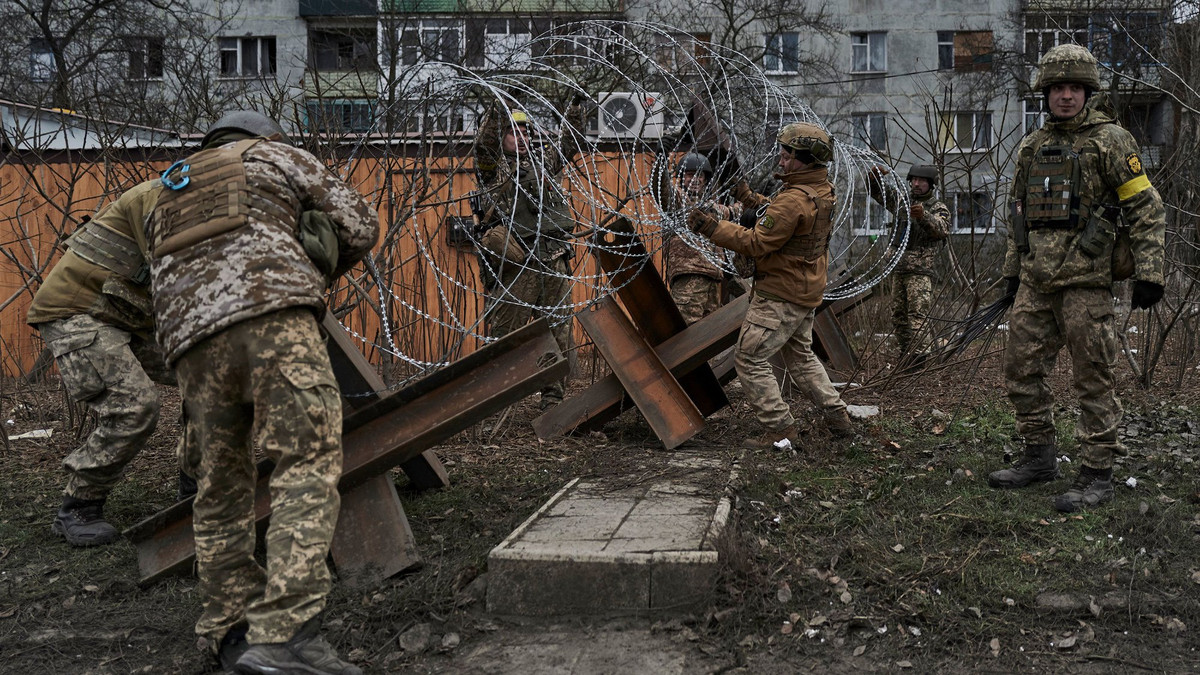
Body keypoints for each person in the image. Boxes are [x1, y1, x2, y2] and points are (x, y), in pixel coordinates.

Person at [146, 111, 379, 673]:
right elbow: (359, 224)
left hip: (190, 342)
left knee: (219, 485)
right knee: (304, 456)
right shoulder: (272, 155)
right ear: (265, 136)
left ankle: (230, 638)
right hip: (272, 313)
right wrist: (316, 263)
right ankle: (285, 636)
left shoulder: (166, 190)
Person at [987, 44, 1166, 513]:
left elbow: (1145, 209)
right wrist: (1011, 275)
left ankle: (1097, 473)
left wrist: (1150, 272)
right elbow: (1018, 216)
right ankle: (1039, 458)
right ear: (1045, 93)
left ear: (1088, 92)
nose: (1065, 96)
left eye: (1074, 88)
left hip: (1086, 283)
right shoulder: (1031, 145)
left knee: (1093, 378)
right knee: (1020, 372)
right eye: (1057, 88)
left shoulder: (1111, 140)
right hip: (1036, 281)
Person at [26, 178, 195, 547]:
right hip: (79, 311)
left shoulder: (216, 198)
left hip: (125, 313)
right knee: (135, 406)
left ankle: (196, 489)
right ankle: (78, 507)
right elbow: (179, 271)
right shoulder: (163, 196)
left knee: (212, 379)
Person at [687, 122, 854, 448]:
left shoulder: (793, 200)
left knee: (749, 358)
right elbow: (781, 216)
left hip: (780, 294)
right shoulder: (821, 190)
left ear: (805, 159)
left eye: (787, 155)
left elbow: (757, 241)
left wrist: (712, 227)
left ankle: (779, 429)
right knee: (802, 358)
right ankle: (839, 418)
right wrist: (749, 198)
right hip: (804, 290)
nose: (780, 159)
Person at [472, 106, 583, 409]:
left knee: (558, 332)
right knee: (506, 337)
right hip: (518, 264)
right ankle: (493, 403)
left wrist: (574, 109)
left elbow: (571, 143)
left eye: (525, 131)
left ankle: (553, 401)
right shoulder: (492, 168)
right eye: (512, 131)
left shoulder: (542, 162)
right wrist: (498, 108)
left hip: (553, 256)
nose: (520, 137)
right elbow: (484, 145)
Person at [867, 164, 951, 359]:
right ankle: (907, 354)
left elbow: (942, 229)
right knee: (899, 316)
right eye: (913, 180)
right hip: (899, 268)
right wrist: (873, 178)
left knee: (917, 317)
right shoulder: (903, 202)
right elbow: (881, 194)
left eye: (921, 181)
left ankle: (920, 358)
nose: (916, 184)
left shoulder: (937, 207)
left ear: (930, 184)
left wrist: (923, 216)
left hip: (920, 271)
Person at [664, 152, 741, 324]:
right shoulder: (677, 201)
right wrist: (661, 160)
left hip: (713, 278)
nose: (696, 179)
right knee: (687, 328)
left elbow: (736, 211)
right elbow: (662, 189)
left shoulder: (712, 207)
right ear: (682, 177)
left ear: (706, 180)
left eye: (700, 175)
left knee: (708, 332)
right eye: (690, 174)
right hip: (690, 274)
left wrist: (754, 199)